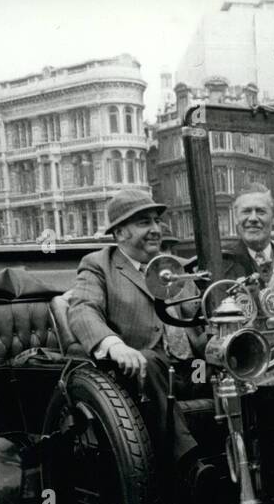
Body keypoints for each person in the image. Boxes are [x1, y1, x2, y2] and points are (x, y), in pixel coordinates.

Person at [68, 187, 202, 481]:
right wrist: (114, 346)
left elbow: (198, 320)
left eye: (156, 221)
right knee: (151, 359)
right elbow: (82, 310)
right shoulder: (98, 265)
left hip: (194, 373)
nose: (155, 230)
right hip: (139, 379)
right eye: (144, 222)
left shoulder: (175, 268)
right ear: (120, 233)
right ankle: (192, 466)